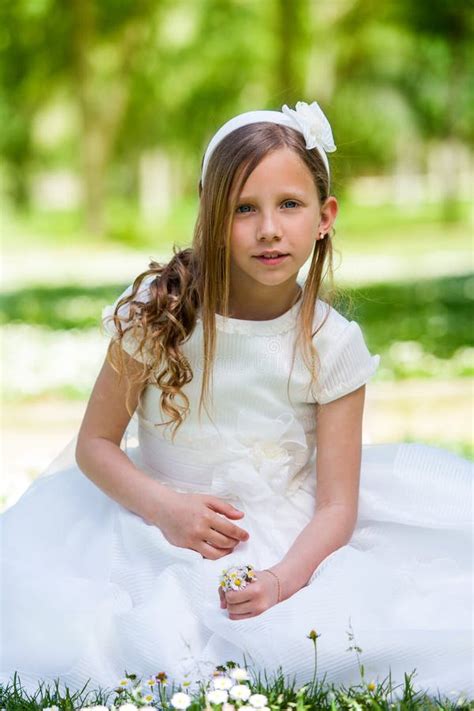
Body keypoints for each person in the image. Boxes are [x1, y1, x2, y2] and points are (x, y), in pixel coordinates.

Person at [0, 100, 472, 700]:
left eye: (290, 205)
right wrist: (166, 510)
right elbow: (95, 445)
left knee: (363, 627)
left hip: (289, 535)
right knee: (97, 628)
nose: (269, 228)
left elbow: (335, 507)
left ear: (325, 216)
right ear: (209, 214)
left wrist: (280, 581)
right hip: (154, 517)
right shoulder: (159, 312)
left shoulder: (333, 344)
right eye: (243, 208)